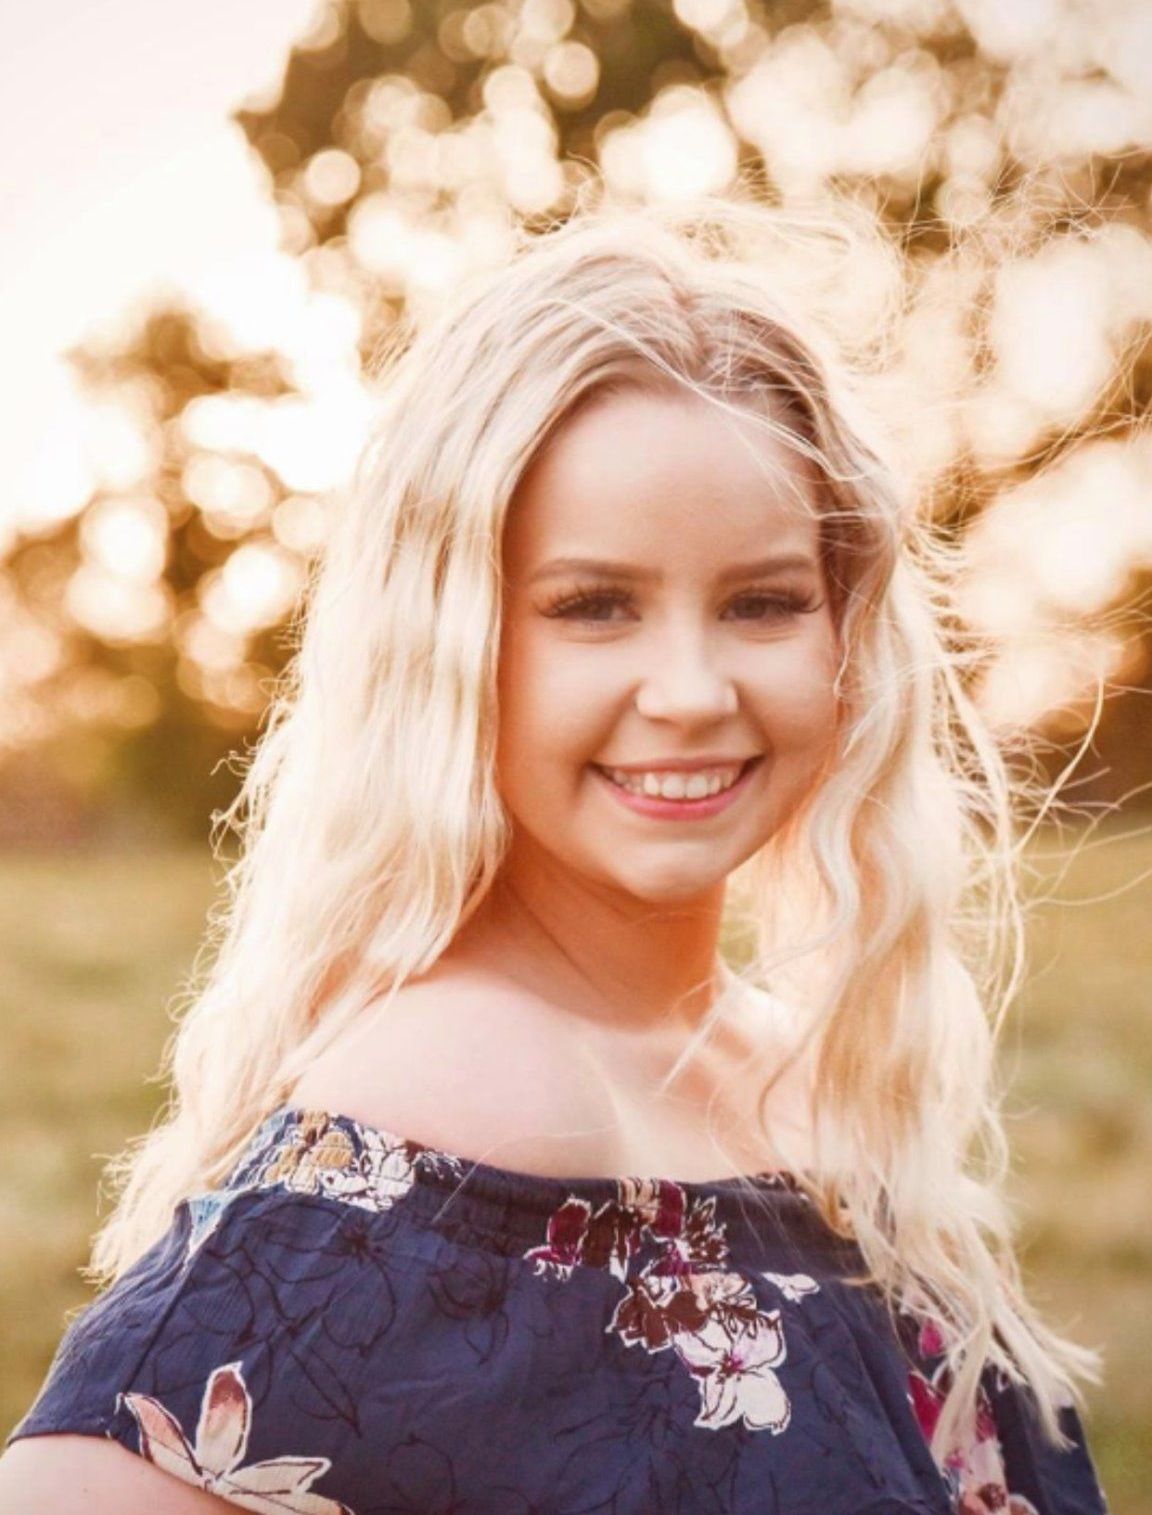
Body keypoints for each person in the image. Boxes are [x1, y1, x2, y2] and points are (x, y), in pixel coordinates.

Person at [0, 192, 1110, 1514]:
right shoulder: (453, 1098)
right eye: (595, 608)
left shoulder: (800, 1080)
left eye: (763, 603)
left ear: (845, 639)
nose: (693, 689)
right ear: (456, 646)